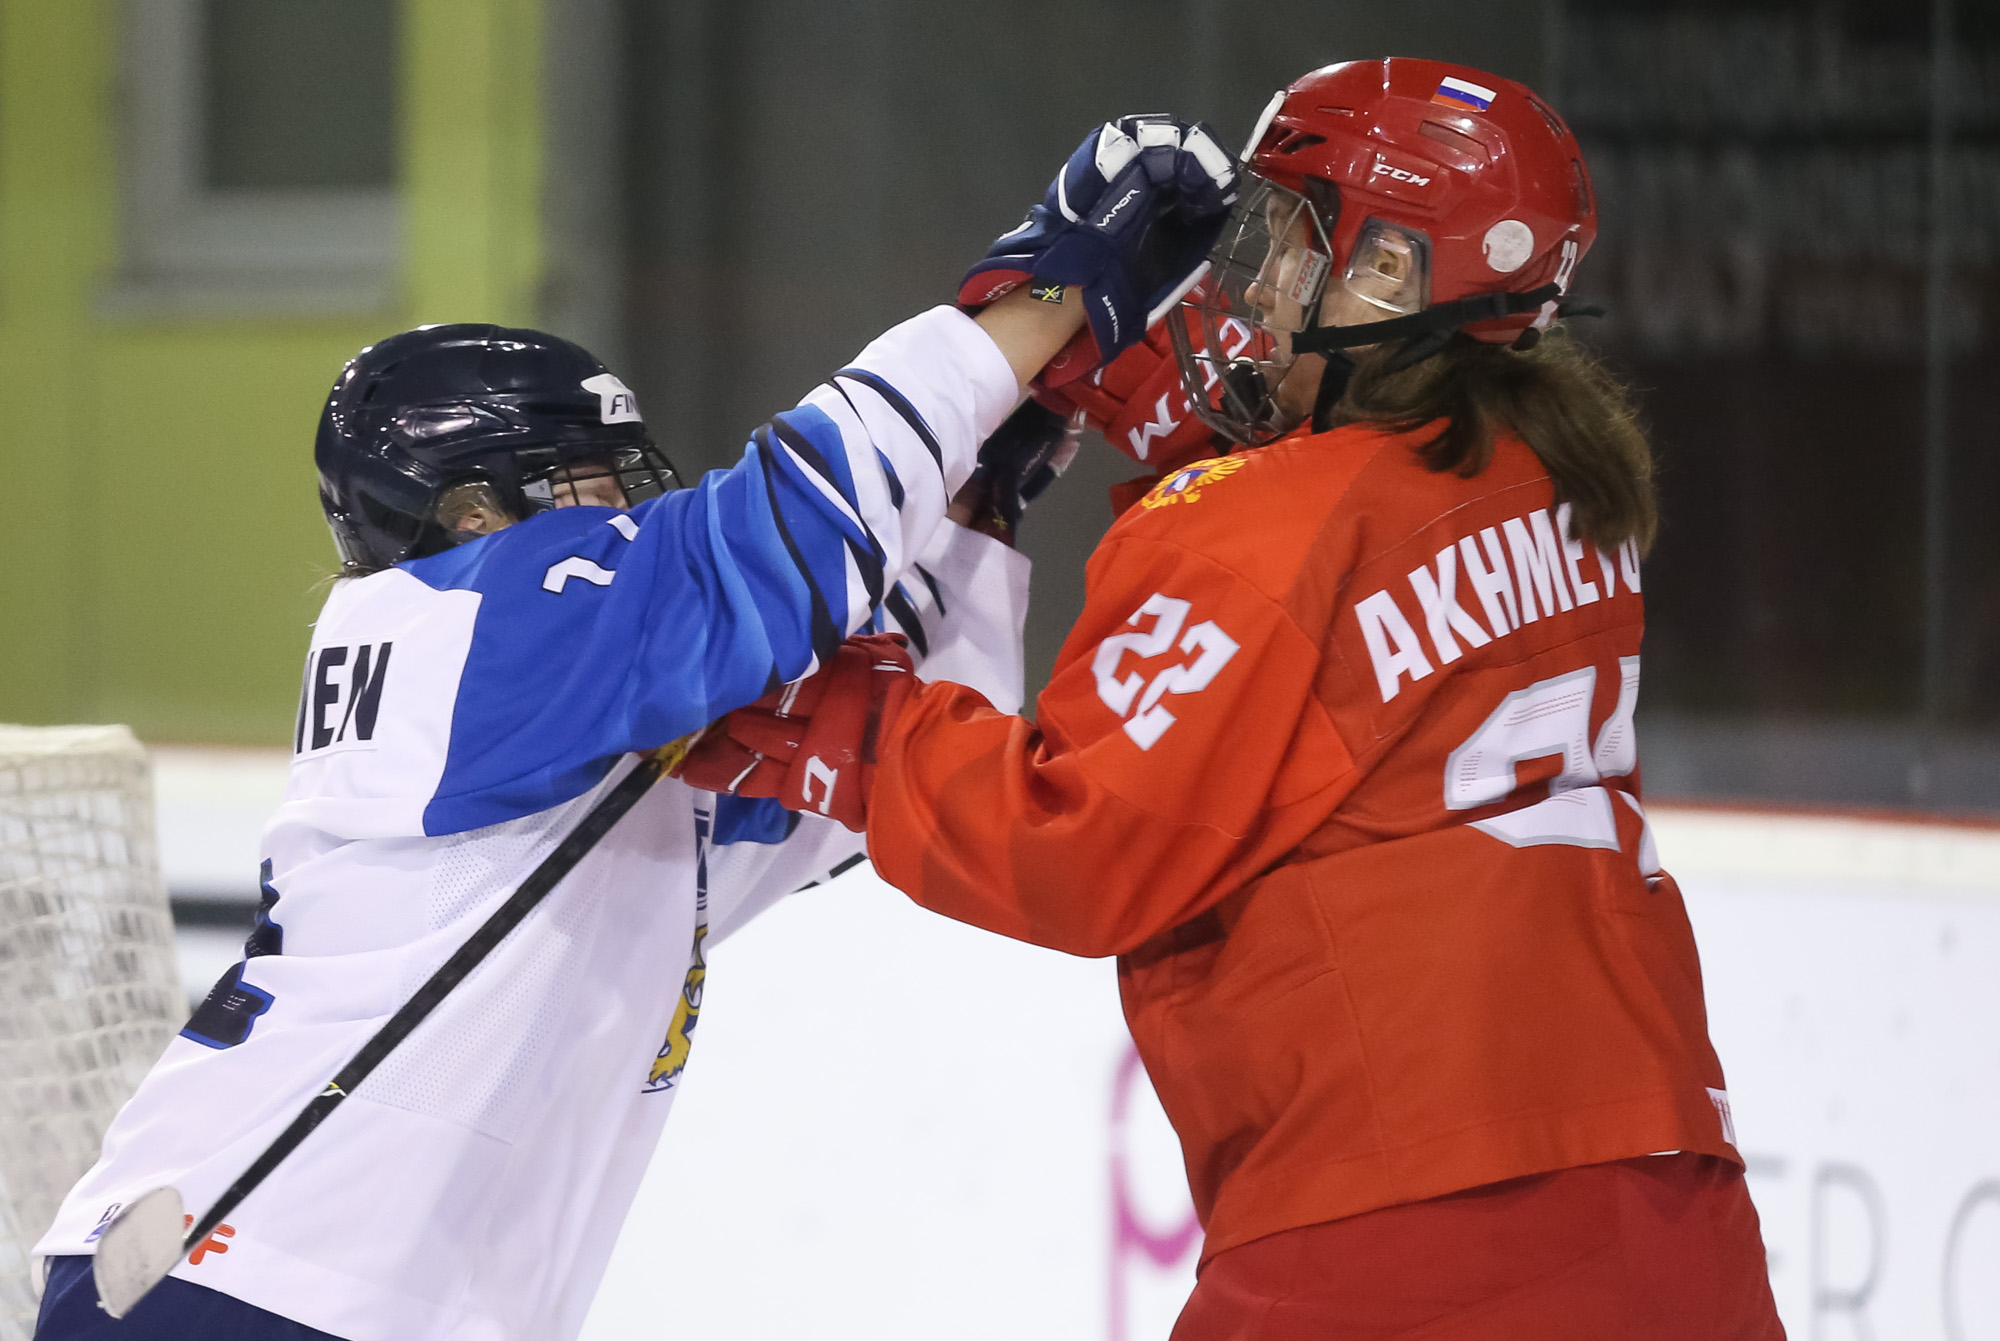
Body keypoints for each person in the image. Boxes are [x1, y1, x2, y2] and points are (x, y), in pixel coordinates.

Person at [31, 117, 1239, 1341]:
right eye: (585, 494)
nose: (618, 524)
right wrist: (1032, 299)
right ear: (464, 512)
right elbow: (772, 545)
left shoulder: (566, 729)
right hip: (240, 1279)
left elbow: (882, 770)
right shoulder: (446, 629)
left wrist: (981, 493)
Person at [679, 60, 1786, 1340]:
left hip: (1407, 1226)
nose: (1258, 284)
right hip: (1670, 1215)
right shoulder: (1568, 491)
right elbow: (1360, 548)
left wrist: (838, 717)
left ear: (1389, 279)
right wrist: (1157, 413)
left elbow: (1073, 837)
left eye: (1297, 246)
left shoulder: (1256, 530)